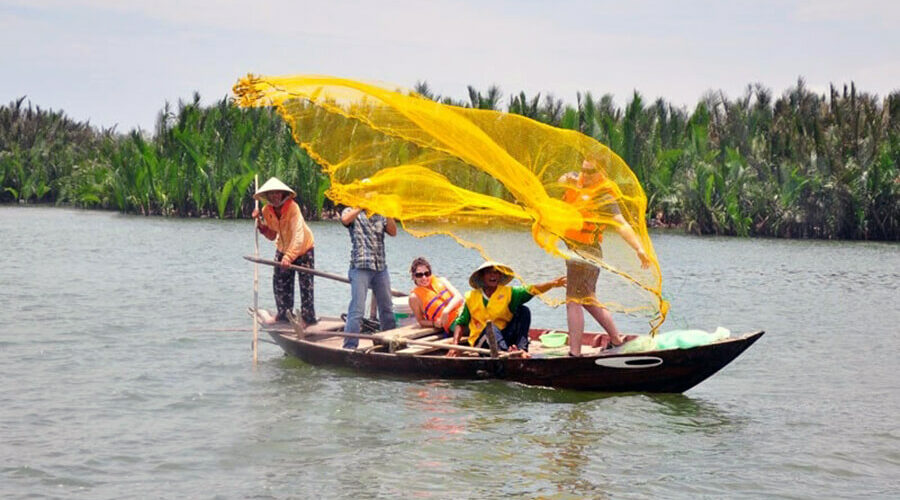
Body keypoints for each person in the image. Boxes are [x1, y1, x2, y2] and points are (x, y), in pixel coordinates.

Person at [559, 155, 652, 356]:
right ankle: (617, 340)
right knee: (588, 299)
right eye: (584, 169)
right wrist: (572, 179)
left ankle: (574, 353)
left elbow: (621, 223)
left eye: (591, 171)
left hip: (585, 252)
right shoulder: (578, 181)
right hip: (575, 250)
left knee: (573, 300)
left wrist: (639, 248)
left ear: (602, 172)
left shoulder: (604, 195)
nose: (586, 175)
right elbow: (560, 180)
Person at [449, 261, 566, 358]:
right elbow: (461, 323)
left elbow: (531, 290)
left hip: (505, 336)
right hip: (482, 341)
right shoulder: (471, 296)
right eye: (489, 273)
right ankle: (506, 353)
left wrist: (552, 284)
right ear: (482, 276)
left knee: (523, 310)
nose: (493, 276)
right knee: (492, 327)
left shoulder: (509, 292)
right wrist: (455, 346)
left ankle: (521, 350)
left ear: (500, 276)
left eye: (496, 273)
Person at [252, 177, 316, 326]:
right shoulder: (266, 210)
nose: (274, 197)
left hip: (304, 248)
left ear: (282, 194)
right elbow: (272, 234)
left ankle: (307, 318)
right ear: (267, 196)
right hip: (283, 247)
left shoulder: (293, 208)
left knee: (306, 285)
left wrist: (289, 257)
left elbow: (298, 235)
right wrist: (260, 225)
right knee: (280, 282)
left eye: (277, 193)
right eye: (271, 194)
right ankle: (283, 314)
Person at [341, 205, 398, 349]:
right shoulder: (351, 211)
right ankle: (350, 346)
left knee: (387, 308)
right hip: (360, 267)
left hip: (380, 267)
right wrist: (360, 205)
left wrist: (388, 212)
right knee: (357, 310)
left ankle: (389, 343)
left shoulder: (380, 214)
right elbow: (345, 220)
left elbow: (393, 231)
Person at [407, 257, 463, 335]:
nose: (424, 278)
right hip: (453, 323)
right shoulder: (414, 297)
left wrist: (446, 311)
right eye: (419, 275)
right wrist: (434, 324)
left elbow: (459, 297)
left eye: (427, 273)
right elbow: (421, 321)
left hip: (463, 312)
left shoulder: (442, 280)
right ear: (413, 277)